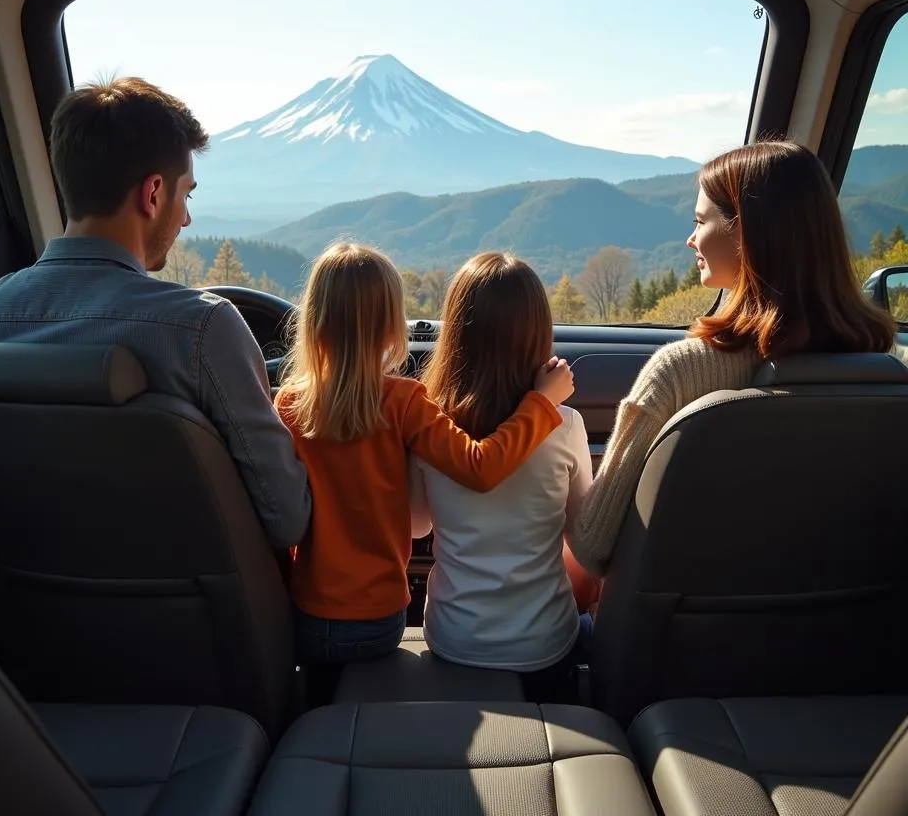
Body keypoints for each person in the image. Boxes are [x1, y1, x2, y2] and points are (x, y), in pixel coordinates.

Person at [0, 77, 310, 549]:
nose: (185, 217)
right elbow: (287, 519)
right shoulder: (205, 331)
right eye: (186, 194)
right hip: (193, 619)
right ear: (152, 194)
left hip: (12, 615)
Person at [570, 140, 903, 577]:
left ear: (745, 233)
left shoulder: (679, 372)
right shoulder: (889, 365)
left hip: (684, 637)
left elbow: (593, 545)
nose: (691, 239)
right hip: (851, 633)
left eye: (699, 221)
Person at [274, 243, 574, 666]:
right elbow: (481, 467)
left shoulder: (287, 404)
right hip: (378, 618)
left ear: (314, 322)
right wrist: (543, 404)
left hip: (306, 609)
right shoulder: (404, 402)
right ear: (391, 327)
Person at [408, 253, 594, 692]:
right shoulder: (564, 425)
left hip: (452, 639)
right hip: (543, 644)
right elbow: (584, 537)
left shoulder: (430, 428)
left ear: (455, 335)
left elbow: (417, 526)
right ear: (536, 334)